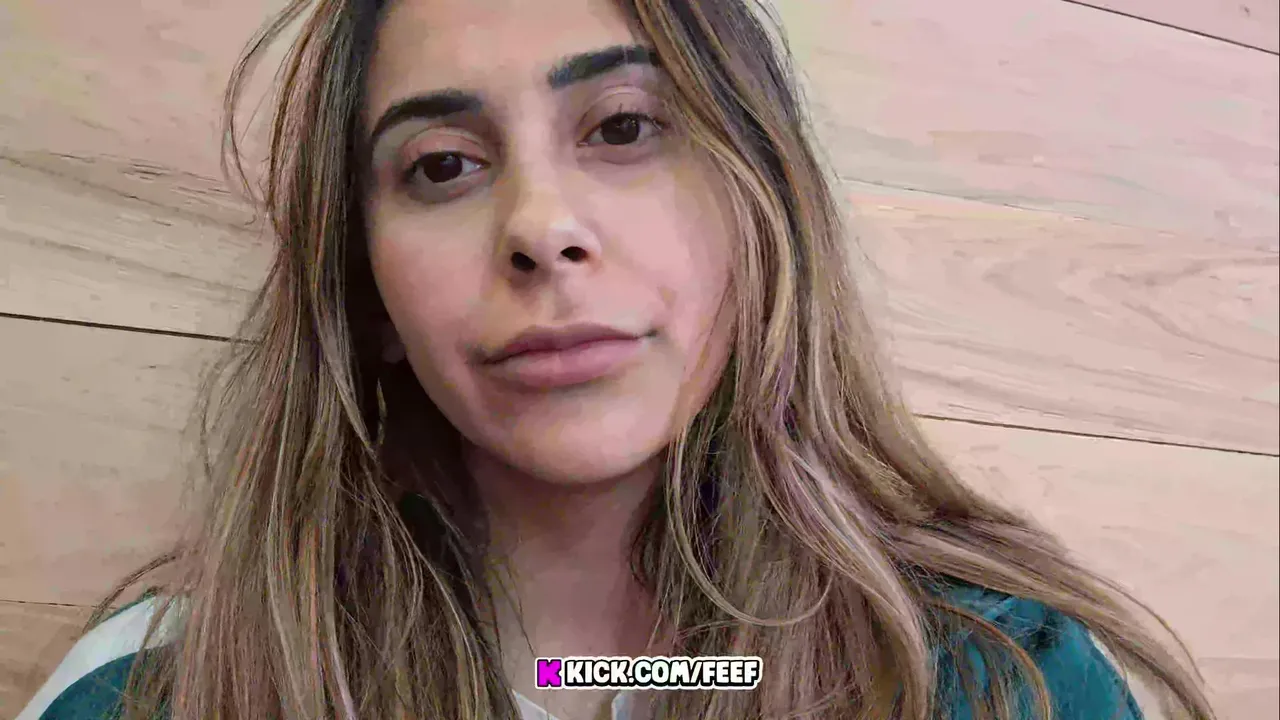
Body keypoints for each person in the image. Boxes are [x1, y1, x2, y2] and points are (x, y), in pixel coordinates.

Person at [18, 0, 1216, 718]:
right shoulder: (153, 692)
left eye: (625, 127)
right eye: (442, 165)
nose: (541, 227)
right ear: (367, 293)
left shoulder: (1002, 676)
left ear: (760, 213)